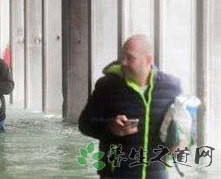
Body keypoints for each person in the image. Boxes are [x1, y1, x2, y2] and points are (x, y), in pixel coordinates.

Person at [78, 34, 182, 179]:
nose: (123, 62)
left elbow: (185, 132)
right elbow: (84, 124)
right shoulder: (107, 85)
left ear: (148, 60)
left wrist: (180, 142)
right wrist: (110, 127)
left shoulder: (171, 87)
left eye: (130, 57)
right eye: (123, 57)